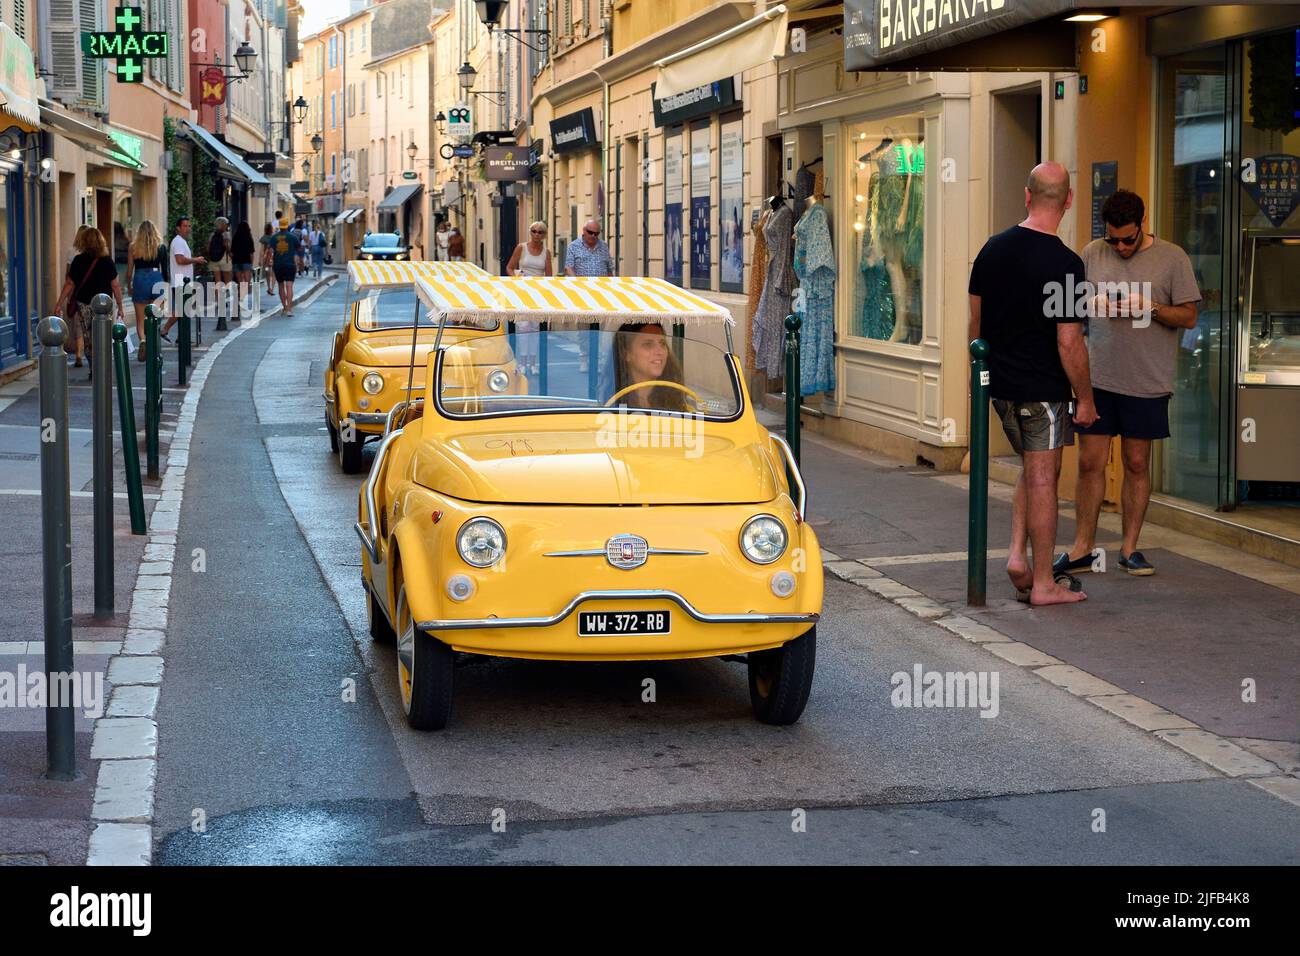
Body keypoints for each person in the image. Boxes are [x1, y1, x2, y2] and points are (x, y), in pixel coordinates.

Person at [968, 162, 1097, 607]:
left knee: (1031, 468)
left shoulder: (991, 250)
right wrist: (1086, 398)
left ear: (1026, 196)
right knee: (1045, 478)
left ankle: (1017, 558)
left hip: (1000, 386)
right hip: (1043, 389)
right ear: (1069, 200)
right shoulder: (1067, 264)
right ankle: (1043, 583)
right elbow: (1069, 340)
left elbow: (976, 324)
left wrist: (978, 381)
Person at [1056, 189, 1202, 578]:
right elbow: (1068, 306)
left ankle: (1130, 548)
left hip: (1146, 380)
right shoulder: (1092, 252)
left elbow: (1189, 316)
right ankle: (1083, 548)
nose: (1120, 246)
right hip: (1098, 378)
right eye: (1113, 238)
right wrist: (1089, 304)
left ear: (1143, 224)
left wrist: (1150, 308)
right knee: (1089, 463)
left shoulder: (1172, 258)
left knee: (1136, 462)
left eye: (1128, 239)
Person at [53, 225, 125, 377]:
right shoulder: (107, 261)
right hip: (104, 306)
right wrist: (120, 305)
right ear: (100, 241)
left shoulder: (78, 260)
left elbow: (69, 284)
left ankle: (93, 367)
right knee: (103, 336)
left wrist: (59, 303)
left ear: (84, 242)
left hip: (84, 303)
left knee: (88, 337)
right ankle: (103, 367)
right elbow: (115, 285)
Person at [564, 219, 614, 372]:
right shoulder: (574, 246)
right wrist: (578, 283)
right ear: (584, 231)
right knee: (584, 329)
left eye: (596, 234)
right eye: (590, 233)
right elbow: (568, 267)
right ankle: (584, 359)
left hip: (601, 294)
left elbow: (609, 269)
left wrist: (612, 287)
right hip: (583, 294)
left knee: (600, 329)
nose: (593, 236)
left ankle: (597, 359)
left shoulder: (603, 246)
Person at [505, 221, 551, 375]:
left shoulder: (546, 252)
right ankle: (523, 363)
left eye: (540, 232)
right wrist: (516, 280)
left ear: (544, 235)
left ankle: (533, 363)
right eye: (534, 231)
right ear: (530, 232)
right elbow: (509, 267)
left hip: (538, 293)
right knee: (523, 328)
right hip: (522, 291)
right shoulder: (521, 247)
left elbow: (549, 276)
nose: (537, 234)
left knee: (535, 329)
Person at [612, 323, 691, 412]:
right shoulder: (610, 401)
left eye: (662, 343)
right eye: (648, 344)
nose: (659, 351)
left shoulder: (678, 401)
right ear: (626, 353)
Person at [125, 220, 167, 360]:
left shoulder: (133, 247)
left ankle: (143, 341)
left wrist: (129, 286)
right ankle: (153, 345)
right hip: (156, 277)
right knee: (154, 316)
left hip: (140, 278)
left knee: (140, 319)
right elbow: (165, 270)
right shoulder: (160, 247)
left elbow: (129, 271)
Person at [160, 216, 206, 341]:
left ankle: (181, 337)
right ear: (178, 228)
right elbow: (179, 260)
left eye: (189, 226)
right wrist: (196, 260)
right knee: (182, 310)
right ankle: (164, 330)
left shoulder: (181, 241)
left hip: (182, 281)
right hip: (181, 281)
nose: (188, 229)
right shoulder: (178, 241)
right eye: (185, 226)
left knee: (184, 310)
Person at [270, 217, 300, 316]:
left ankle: (284, 307)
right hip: (290, 264)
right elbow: (299, 248)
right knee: (289, 286)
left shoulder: (274, 237)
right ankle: (289, 309)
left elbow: (270, 251)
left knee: (281, 285)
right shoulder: (293, 236)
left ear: (279, 226)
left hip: (278, 264)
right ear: (287, 226)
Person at [207, 216, 232, 324]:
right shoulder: (226, 234)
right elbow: (227, 246)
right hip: (224, 259)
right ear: (223, 224)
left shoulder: (212, 235)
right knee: (227, 281)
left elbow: (207, 248)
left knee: (217, 281)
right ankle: (225, 297)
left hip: (214, 260)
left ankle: (219, 301)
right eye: (226, 223)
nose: (227, 225)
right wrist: (230, 252)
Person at [230, 221, 257, 322]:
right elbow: (251, 253)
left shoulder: (235, 238)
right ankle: (242, 303)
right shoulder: (249, 238)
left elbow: (231, 252)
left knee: (240, 283)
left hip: (236, 262)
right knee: (246, 284)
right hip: (246, 263)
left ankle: (238, 303)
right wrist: (251, 264)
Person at [260, 223, 277, 296]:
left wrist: (260, 260)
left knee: (267, 272)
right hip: (274, 257)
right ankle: (272, 289)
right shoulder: (274, 237)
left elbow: (261, 250)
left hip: (266, 258)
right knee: (274, 273)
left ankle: (269, 287)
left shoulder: (263, 238)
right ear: (271, 230)